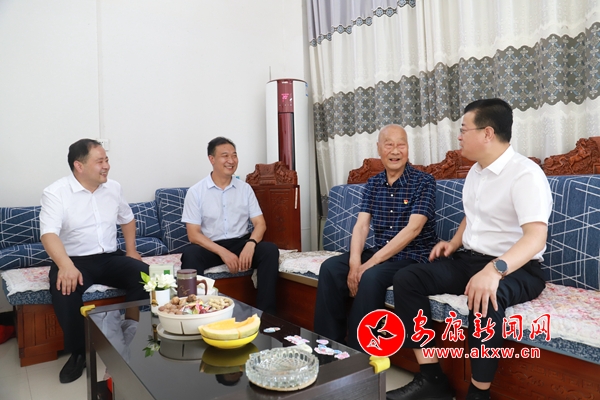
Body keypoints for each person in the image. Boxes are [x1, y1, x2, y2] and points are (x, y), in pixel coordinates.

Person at [387, 99, 553, 400]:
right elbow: (473, 214)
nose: (459, 136)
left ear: (487, 133)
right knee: (408, 278)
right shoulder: (476, 171)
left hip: (518, 267)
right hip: (470, 260)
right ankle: (432, 379)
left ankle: (478, 393)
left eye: (464, 130)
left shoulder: (525, 174)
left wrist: (495, 270)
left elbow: (536, 238)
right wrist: (454, 242)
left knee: (485, 298)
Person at [313, 124, 438, 350]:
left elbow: (413, 230)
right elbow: (361, 225)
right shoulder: (373, 183)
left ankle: (358, 354)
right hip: (381, 252)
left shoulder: (424, 182)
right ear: (379, 148)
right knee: (331, 268)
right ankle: (327, 346)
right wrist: (354, 263)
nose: (395, 151)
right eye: (389, 145)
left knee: (370, 276)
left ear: (408, 148)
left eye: (401, 145)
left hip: (413, 256)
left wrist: (367, 265)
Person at [40, 139, 149, 383]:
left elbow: (127, 218)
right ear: (79, 166)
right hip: (73, 260)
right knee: (64, 288)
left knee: (146, 275)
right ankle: (79, 352)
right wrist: (65, 265)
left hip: (109, 257)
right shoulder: (56, 192)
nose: (106, 166)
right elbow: (48, 234)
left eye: (107, 160)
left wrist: (131, 250)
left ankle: (131, 332)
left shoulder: (113, 188)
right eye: (100, 161)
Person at [179, 137, 279, 314]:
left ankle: (266, 315)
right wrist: (223, 252)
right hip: (211, 247)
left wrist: (251, 244)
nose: (231, 160)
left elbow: (260, 224)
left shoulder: (245, 189)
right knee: (190, 254)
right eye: (225, 156)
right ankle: (193, 311)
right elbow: (193, 235)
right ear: (212, 159)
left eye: (234, 155)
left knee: (269, 250)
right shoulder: (196, 192)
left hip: (241, 243)